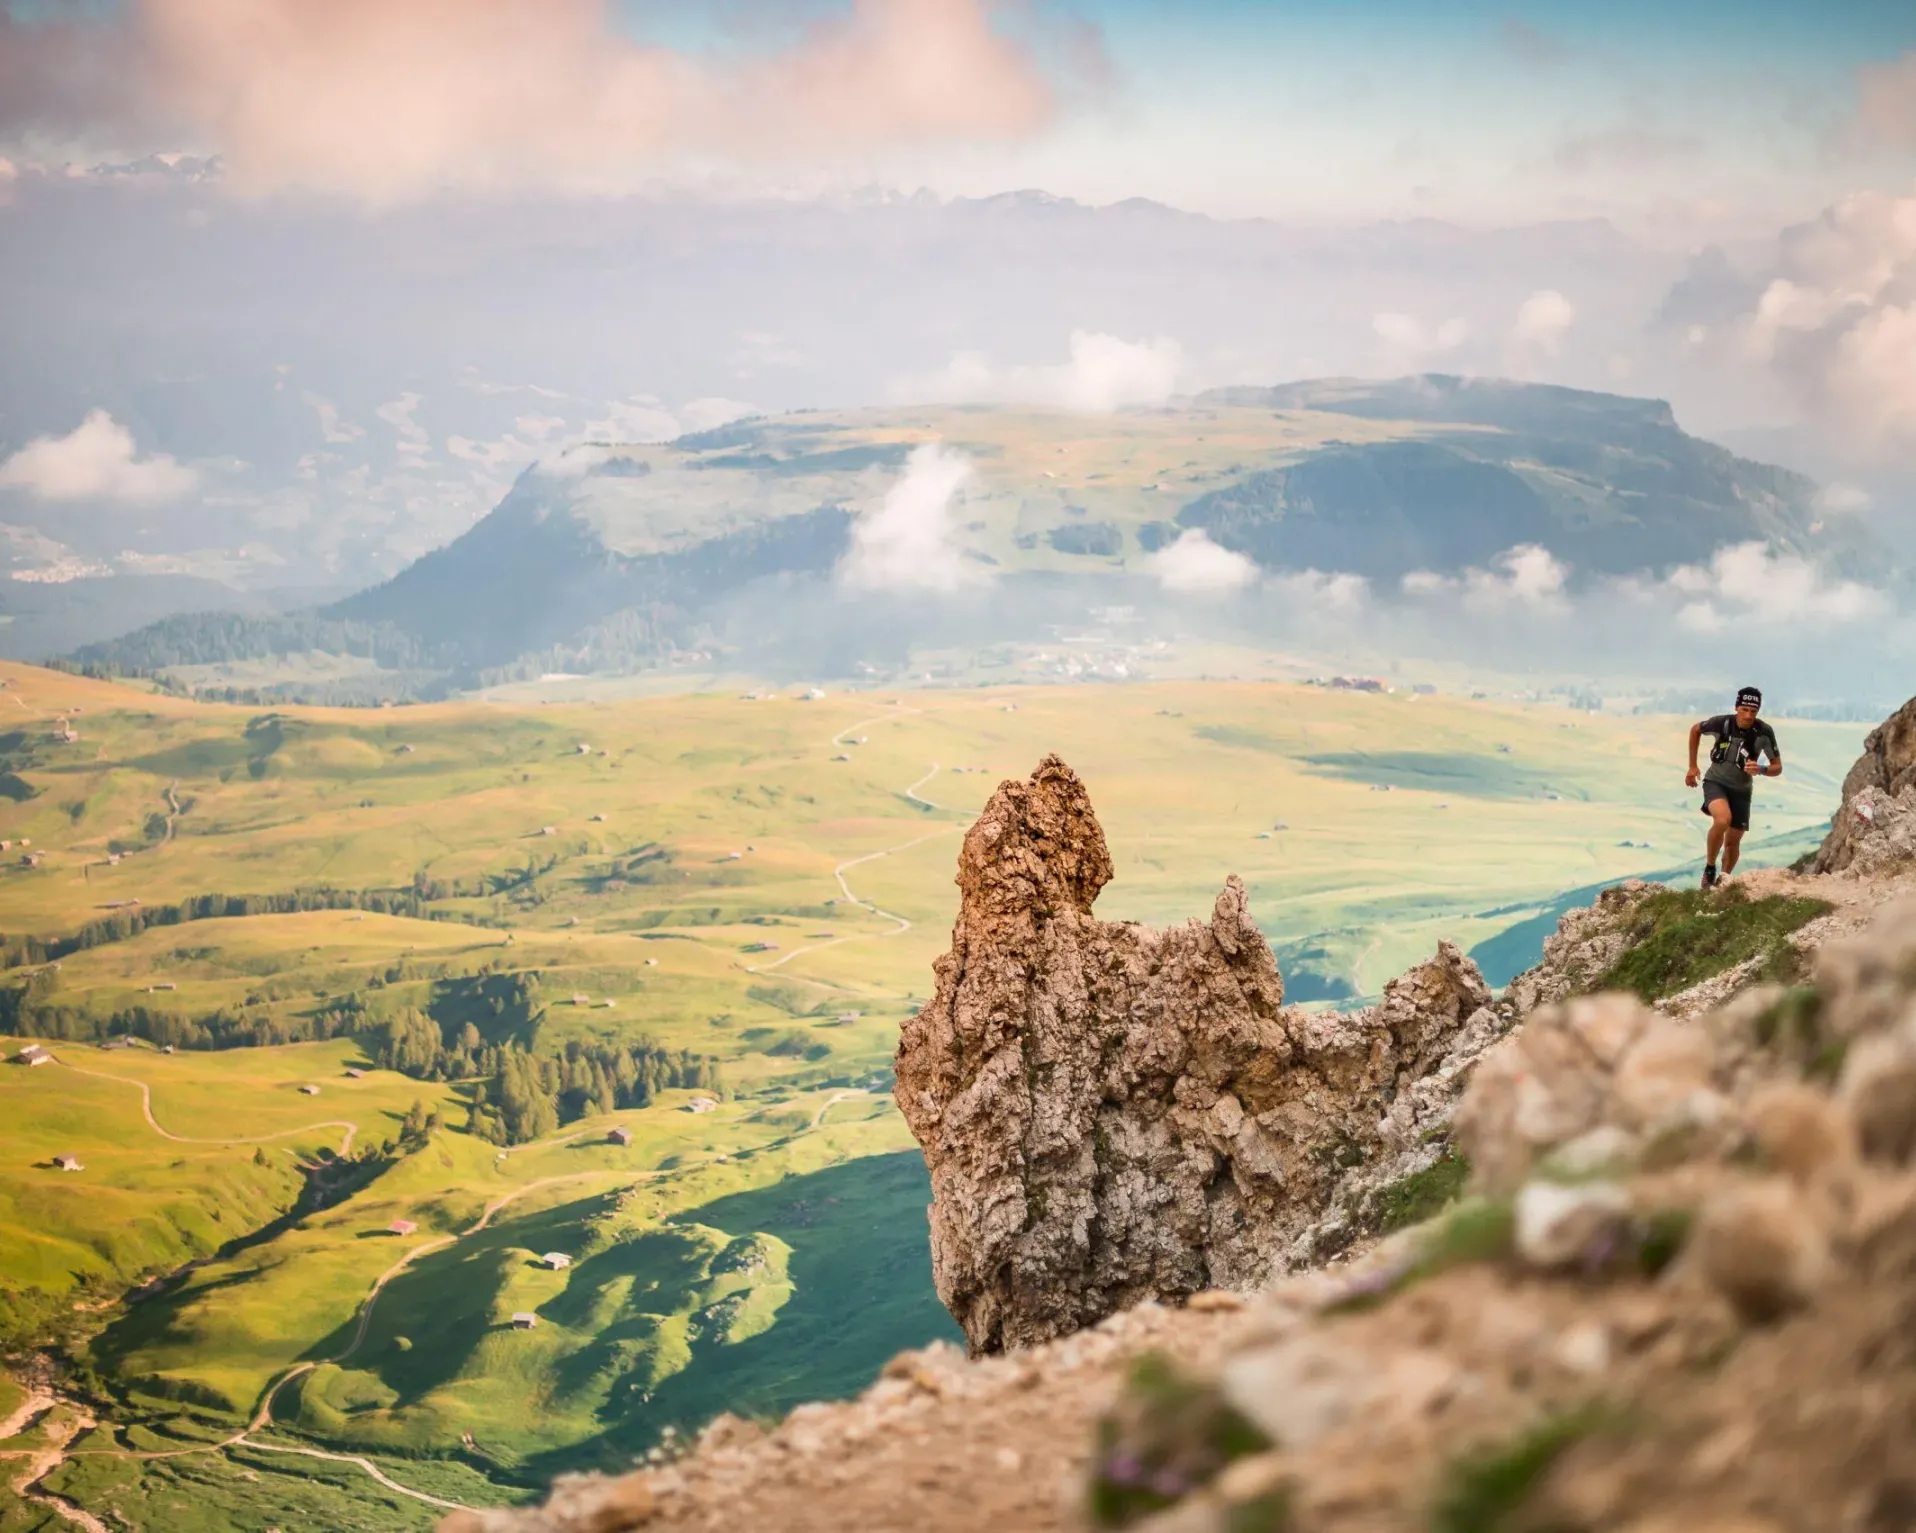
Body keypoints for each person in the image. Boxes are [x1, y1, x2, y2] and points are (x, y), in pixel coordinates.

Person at [1685, 686, 1781, 888]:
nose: (1748, 715)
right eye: (1744, 709)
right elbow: (1695, 730)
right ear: (1737, 707)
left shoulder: (1763, 732)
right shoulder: (1722, 723)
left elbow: (1777, 767)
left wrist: (1761, 769)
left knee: (1732, 843)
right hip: (1716, 782)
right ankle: (1710, 868)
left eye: (1753, 712)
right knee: (1722, 820)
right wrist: (1692, 766)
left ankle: (1723, 881)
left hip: (1742, 790)